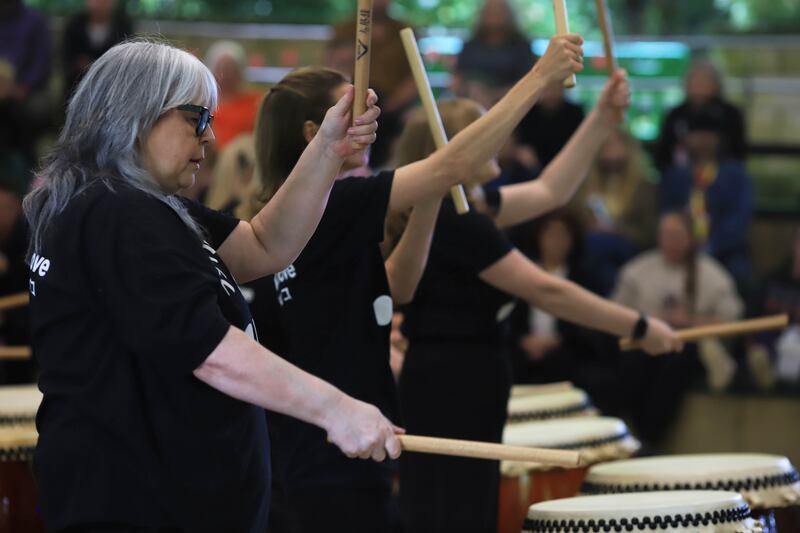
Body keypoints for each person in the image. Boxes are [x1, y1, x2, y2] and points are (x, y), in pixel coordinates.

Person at [24, 39, 398, 533]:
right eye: (198, 118)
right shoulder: (117, 213)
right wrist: (335, 409)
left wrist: (328, 151)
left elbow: (265, 244)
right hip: (136, 507)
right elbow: (211, 351)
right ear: (138, 112)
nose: (210, 139)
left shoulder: (141, 206)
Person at [241, 35, 586, 533]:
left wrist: (430, 192)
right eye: (355, 109)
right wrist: (538, 77)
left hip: (333, 450)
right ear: (315, 132)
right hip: (326, 458)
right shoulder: (334, 203)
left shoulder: (303, 213)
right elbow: (456, 163)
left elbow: (398, 287)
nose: (372, 117)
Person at [391, 74, 682, 533]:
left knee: (458, 508)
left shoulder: (469, 206)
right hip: (452, 380)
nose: (498, 142)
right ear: (454, 152)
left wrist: (602, 119)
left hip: (461, 374)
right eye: (484, 134)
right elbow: (547, 290)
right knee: (451, 512)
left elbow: (551, 191)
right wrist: (640, 327)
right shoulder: (454, 221)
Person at [612, 211, 743, 444]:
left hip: (687, 347)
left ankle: (651, 440)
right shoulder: (638, 269)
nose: (670, 241)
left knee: (674, 362)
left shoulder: (712, 274)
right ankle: (634, 435)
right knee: (633, 362)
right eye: (666, 235)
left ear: (691, 238)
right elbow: (616, 312)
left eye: (677, 235)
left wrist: (687, 320)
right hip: (644, 342)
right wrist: (653, 320)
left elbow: (730, 320)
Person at [659, 106, 753, 289]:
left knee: (739, 273)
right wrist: (681, 242)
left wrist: (711, 245)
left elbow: (739, 219)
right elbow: (666, 212)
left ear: (718, 138)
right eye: (696, 134)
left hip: (725, 250)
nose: (701, 141)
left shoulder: (734, 175)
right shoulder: (676, 175)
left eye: (707, 135)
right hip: (677, 246)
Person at [327, 0, 417, 168]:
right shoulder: (344, 29)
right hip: (351, 98)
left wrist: (393, 103)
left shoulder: (404, 30)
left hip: (392, 104)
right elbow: (332, 68)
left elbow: (415, 77)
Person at [576, 128, 659, 294]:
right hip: (590, 246)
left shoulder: (645, 187)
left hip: (629, 247)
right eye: (606, 144)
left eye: (616, 143)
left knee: (600, 245)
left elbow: (648, 231)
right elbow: (573, 221)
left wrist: (618, 231)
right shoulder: (584, 187)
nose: (610, 149)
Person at [655, 60, 747, 173]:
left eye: (704, 79)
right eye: (694, 79)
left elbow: (738, 152)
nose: (699, 84)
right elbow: (663, 155)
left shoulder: (730, 114)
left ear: (716, 84)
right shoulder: (675, 115)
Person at [453, 0, 536, 109]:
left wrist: (494, 96)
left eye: (498, 11)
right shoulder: (470, 45)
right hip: (471, 106)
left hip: (511, 107)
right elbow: (457, 79)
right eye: (490, 11)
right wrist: (471, 91)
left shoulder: (521, 46)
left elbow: (530, 82)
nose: (494, 16)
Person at [62, 0, 133, 101]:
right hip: (77, 86)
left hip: (113, 88)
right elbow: (67, 59)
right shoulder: (74, 24)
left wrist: (93, 65)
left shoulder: (122, 26)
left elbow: (126, 60)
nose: (96, 4)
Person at [204, 40, 264, 151]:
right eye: (221, 68)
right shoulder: (203, 102)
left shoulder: (256, 101)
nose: (225, 73)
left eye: (230, 68)